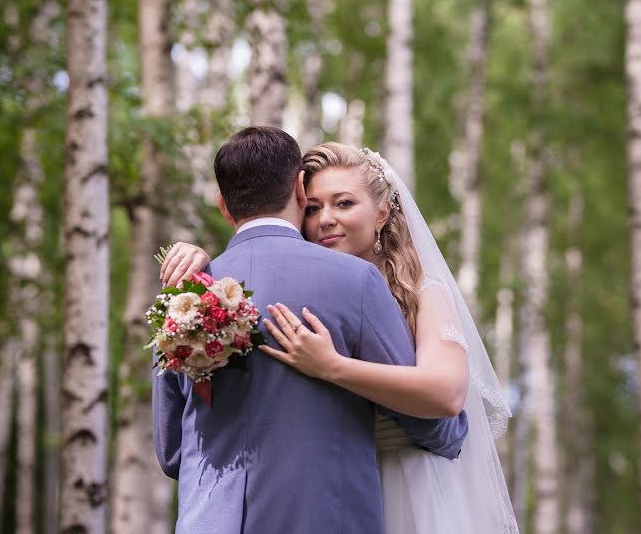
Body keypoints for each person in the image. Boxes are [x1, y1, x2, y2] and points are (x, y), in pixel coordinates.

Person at [162, 141, 518, 533]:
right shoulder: (248, 287)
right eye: (313, 208)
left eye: (344, 204)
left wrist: (333, 366)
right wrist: (197, 260)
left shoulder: (424, 292)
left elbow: (447, 397)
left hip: (408, 482)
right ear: (298, 202)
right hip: (328, 492)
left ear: (382, 211)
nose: (326, 219)